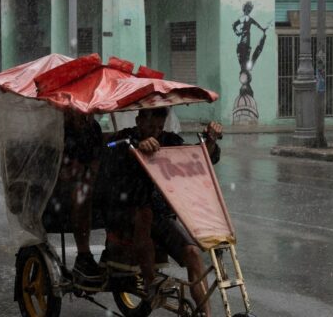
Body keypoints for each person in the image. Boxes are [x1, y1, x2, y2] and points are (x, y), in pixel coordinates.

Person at [106, 108, 222, 317]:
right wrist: (136, 147)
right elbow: (109, 149)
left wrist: (210, 140)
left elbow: (195, 157)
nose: (156, 132)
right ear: (139, 120)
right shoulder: (125, 138)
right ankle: (152, 284)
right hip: (127, 215)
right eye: (151, 127)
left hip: (159, 216)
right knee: (145, 214)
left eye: (160, 127)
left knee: (193, 254)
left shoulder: (169, 140)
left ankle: (205, 313)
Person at [61, 110, 104, 284]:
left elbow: (96, 162)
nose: (84, 118)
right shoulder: (59, 130)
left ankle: (114, 251)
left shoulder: (93, 128)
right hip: (61, 188)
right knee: (82, 194)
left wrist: (91, 175)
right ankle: (83, 254)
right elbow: (60, 169)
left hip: (85, 179)